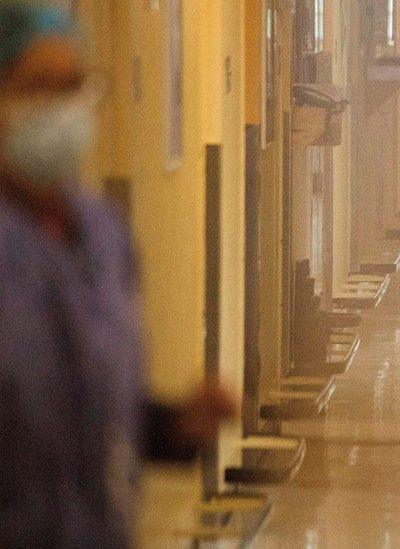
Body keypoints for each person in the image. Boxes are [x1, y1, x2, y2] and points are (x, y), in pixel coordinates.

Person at [0, 4, 235, 547]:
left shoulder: (104, 238)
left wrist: (177, 427)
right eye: (38, 88)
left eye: (74, 88)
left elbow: (97, 408)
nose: (59, 110)